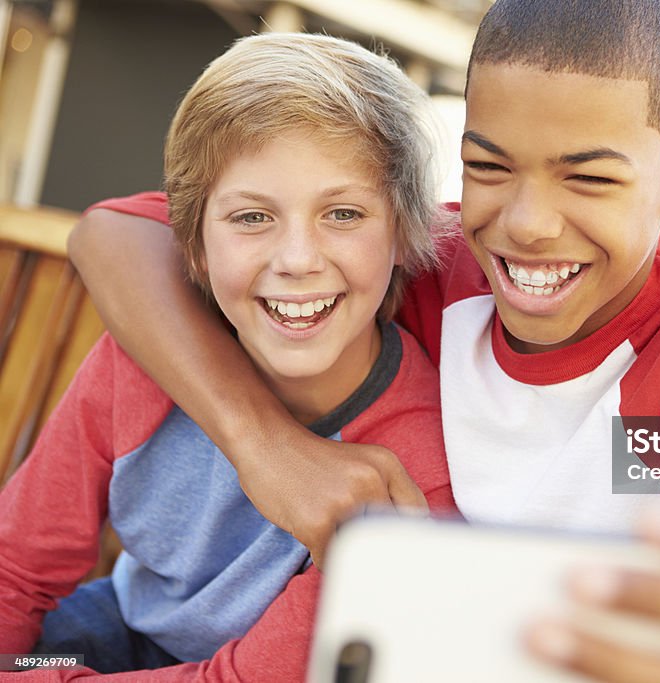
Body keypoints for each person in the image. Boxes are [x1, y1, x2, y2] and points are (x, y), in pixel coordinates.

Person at [68, 1, 660, 680]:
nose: (529, 224)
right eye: (490, 167)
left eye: (590, 177)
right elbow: (113, 238)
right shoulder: (448, 266)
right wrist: (266, 448)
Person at [0, 33, 453, 679]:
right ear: (193, 248)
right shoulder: (138, 363)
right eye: (251, 218)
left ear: (405, 235)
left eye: (344, 213)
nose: (297, 260)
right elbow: (16, 569)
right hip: (109, 633)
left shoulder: (416, 468)